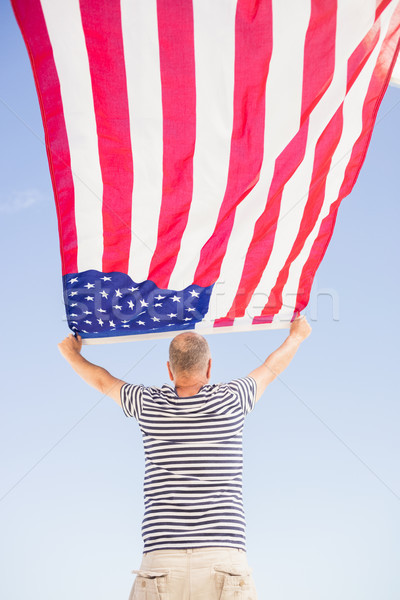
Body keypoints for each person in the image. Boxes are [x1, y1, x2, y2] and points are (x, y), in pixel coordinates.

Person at [58, 315, 311, 599]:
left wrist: (71, 354)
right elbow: (270, 368)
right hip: (224, 559)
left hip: (161, 563)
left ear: (169, 370)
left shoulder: (147, 403)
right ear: (210, 367)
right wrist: (296, 336)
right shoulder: (233, 399)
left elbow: (103, 382)